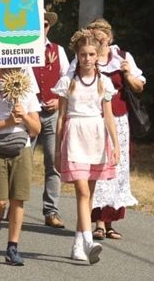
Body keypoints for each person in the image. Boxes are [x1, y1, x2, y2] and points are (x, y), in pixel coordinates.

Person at [52, 30, 120, 264]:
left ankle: (78, 243)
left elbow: (108, 116)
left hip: (97, 138)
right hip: (74, 137)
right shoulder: (67, 83)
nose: (87, 59)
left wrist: (115, 146)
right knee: (81, 192)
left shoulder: (104, 83)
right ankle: (89, 240)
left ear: (98, 55)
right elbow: (60, 118)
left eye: (92, 54)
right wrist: (57, 148)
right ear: (77, 56)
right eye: (83, 54)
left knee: (88, 194)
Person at [77, 18, 145, 241]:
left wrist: (127, 74)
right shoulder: (86, 57)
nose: (99, 39)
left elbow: (140, 87)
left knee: (117, 167)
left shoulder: (123, 57)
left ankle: (110, 221)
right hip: (93, 120)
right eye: (94, 35)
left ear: (110, 37)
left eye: (102, 35)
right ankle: (97, 221)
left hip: (119, 119)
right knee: (98, 166)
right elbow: (69, 82)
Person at [0, 69, 42, 266]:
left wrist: (25, 117)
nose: (12, 74)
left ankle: (12, 247)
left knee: (18, 199)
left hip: (22, 149)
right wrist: (7, 122)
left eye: (16, 70)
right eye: (6, 70)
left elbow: (36, 129)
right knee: (0, 201)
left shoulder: (29, 93)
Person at [32, 10, 69, 229]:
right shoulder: (22, 49)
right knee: (21, 162)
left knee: (53, 162)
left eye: (45, 24)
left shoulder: (58, 50)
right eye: (39, 23)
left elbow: (67, 78)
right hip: (29, 113)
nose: (42, 27)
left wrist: (57, 99)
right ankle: (13, 205)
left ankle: (51, 210)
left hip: (51, 113)